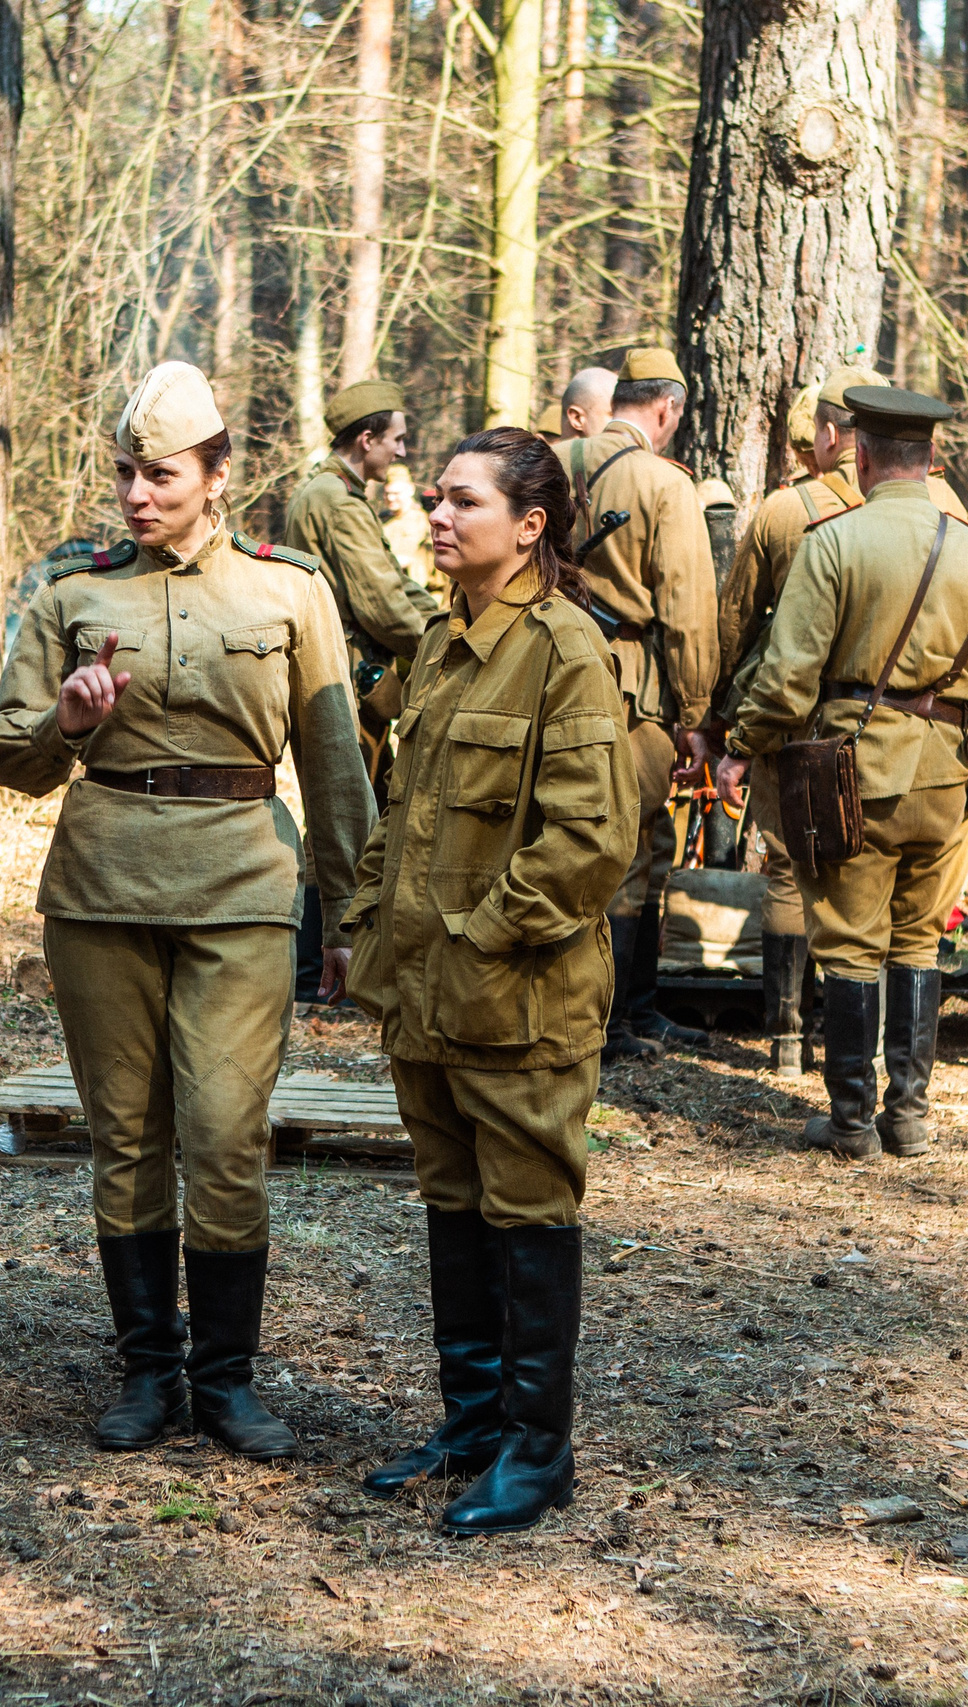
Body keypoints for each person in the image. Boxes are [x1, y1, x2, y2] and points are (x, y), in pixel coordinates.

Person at [0, 361, 373, 1456]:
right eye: (124, 474)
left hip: (243, 888)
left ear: (215, 475)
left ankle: (228, 1379)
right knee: (125, 1135)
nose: (138, 495)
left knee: (225, 1132)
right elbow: (7, 759)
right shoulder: (71, 591)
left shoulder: (286, 589)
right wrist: (64, 719)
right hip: (103, 891)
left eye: (160, 475)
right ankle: (148, 1372)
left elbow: (336, 765)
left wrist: (348, 917)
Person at [343, 427, 640, 1534]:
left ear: (529, 527)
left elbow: (589, 840)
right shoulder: (437, 642)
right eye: (433, 499)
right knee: (454, 1211)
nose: (437, 518)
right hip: (425, 998)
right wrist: (375, 922)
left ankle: (535, 1451)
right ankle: (470, 1426)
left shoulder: (563, 649)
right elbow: (405, 814)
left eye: (462, 502)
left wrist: (475, 936)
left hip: (516, 1001)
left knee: (527, 1217)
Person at [716, 386, 968, 1158]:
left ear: (860, 456)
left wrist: (740, 741)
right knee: (920, 940)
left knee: (854, 945)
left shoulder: (834, 543)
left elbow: (789, 677)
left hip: (853, 771)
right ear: (932, 460)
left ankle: (853, 1120)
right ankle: (910, 1117)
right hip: (948, 781)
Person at [707, 365, 873, 1074]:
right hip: (879, 718)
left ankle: (784, 1041)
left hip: (790, 713)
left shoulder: (783, 512)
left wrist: (721, 719)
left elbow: (736, 620)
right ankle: (857, 1045)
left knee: (784, 867)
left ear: (829, 437)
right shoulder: (914, 510)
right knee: (866, 873)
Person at [569, 346, 720, 1060]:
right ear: (666, 410)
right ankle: (617, 1019)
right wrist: (695, 715)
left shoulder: (553, 460)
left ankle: (625, 1008)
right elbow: (688, 612)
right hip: (631, 682)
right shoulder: (665, 484)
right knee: (632, 850)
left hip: (553, 667)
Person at [285, 378, 442, 799]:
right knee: (348, 824)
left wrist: (450, 622)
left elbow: (395, 583)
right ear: (367, 440)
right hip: (346, 683)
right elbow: (383, 604)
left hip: (342, 677)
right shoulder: (338, 503)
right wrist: (444, 647)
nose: (402, 451)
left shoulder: (330, 493)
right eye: (398, 439)